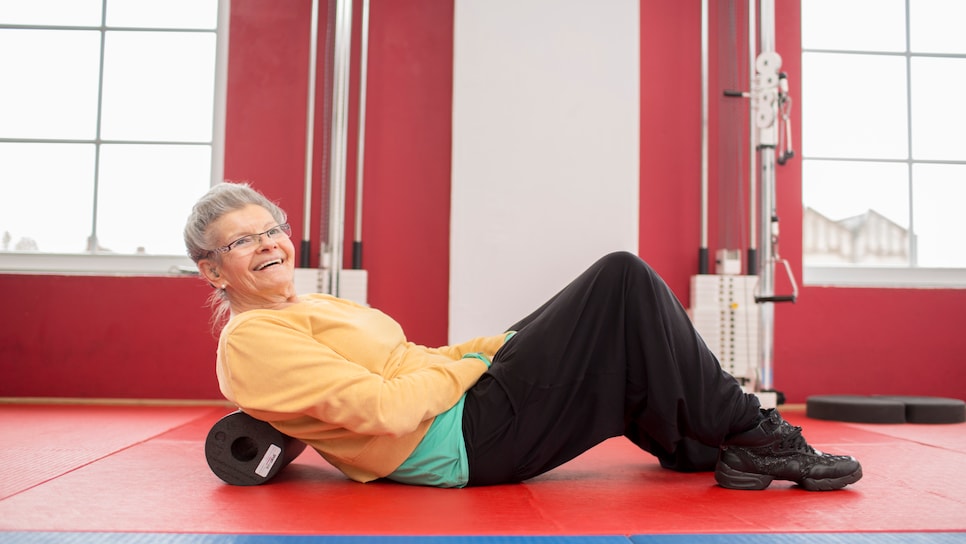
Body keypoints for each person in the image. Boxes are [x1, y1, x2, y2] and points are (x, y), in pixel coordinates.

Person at [184, 181, 862, 491]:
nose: (267, 245)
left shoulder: (312, 303)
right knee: (620, 279)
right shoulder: (251, 342)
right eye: (241, 242)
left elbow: (407, 362)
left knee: (607, 332)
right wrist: (476, 366)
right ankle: (757, 436)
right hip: (454, 444)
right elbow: (387, 408)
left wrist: (479, 349)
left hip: (457, 413)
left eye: (270, 230)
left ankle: (707, 443)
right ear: (212, 269)